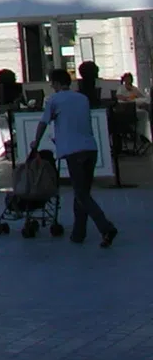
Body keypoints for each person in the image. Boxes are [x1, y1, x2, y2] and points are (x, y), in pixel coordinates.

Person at [33, 68, 116, 248]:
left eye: (51, 83)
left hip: (73, 151)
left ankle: (106, 227)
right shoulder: (82, 98)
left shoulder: (53, 100)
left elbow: (43, 122)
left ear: (55, 83)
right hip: (90, 148)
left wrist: (36, 142)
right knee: (83, 192)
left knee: (81, 194)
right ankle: (79, 233)